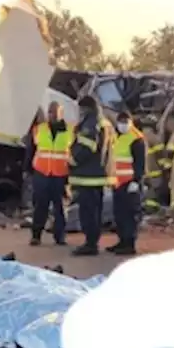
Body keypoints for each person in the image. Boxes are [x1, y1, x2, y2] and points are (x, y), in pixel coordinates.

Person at [67, 95, 111, 256]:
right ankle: (92, 242)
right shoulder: (102, 122)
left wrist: (72, 159)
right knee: (94, 211)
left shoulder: (90, 123)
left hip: (88, 176)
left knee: (88, 212)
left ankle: (90, 244)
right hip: (96, 175)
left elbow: (86, 147)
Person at [27, 102, 71, 246]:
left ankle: (60, 237)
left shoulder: (70, 131)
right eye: (50, 112)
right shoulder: (39, 130)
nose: (52, 114)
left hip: (60, 174)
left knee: (60, 207)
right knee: (40, 206)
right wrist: (27, 169)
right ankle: (36, 235)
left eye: (55, 112)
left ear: (61, 113)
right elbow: (31, 150)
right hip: (42, 173)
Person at [107, 110, 146, 255]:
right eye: (121, 122)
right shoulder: (116, 136)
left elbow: (140, 163)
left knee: (130, 214)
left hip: (130, 183)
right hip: (117, 182)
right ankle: (122, 240)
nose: (123, 125)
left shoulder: (136, 139)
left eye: (126, 122)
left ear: (131, 123)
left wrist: (136, 180)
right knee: (119, 213)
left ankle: (129, 244)